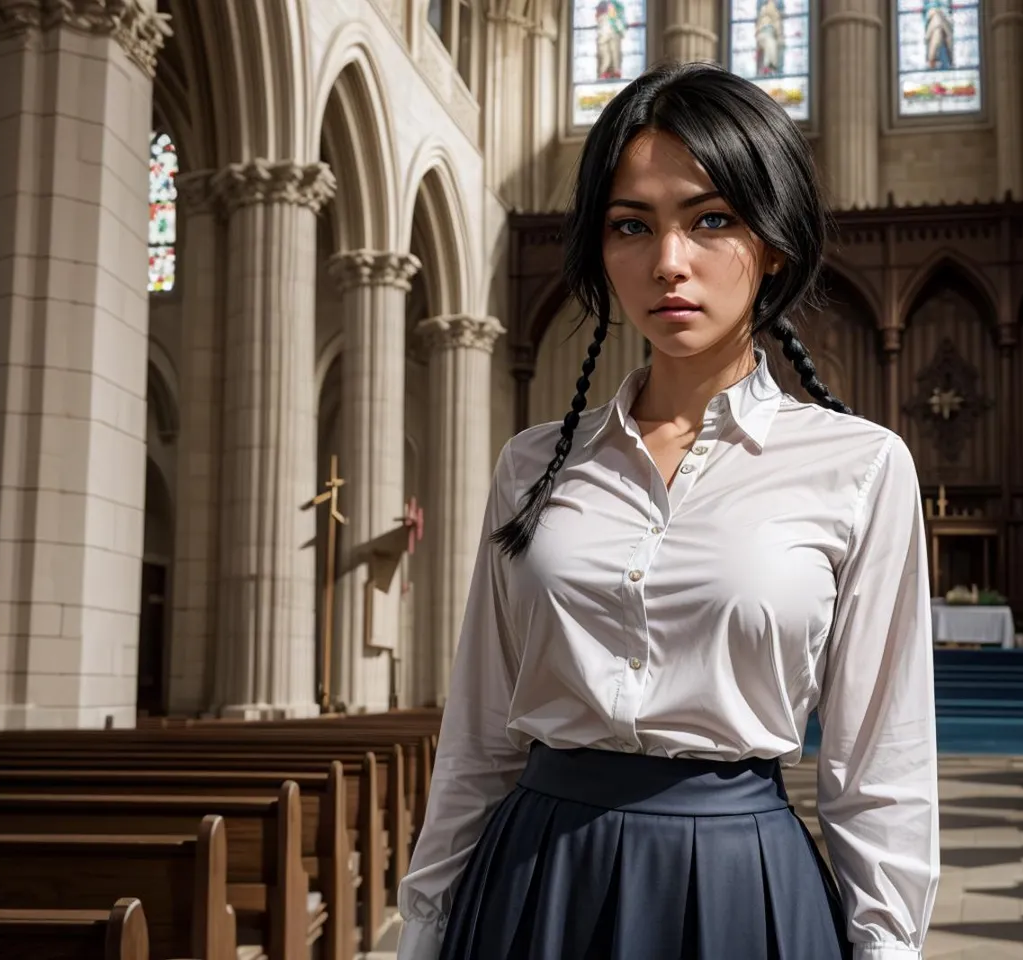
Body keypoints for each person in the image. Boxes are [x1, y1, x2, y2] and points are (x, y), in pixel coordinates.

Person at [397, 60, 939, 960]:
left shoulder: (859, 466)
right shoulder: (535, 463)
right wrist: (424, 926)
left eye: (711, 218)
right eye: (630, 226)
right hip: (538, 882)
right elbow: (481, 736)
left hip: (739, 885)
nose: (668, 262)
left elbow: (879, 765)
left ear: (774, 244)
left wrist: (886, 945)